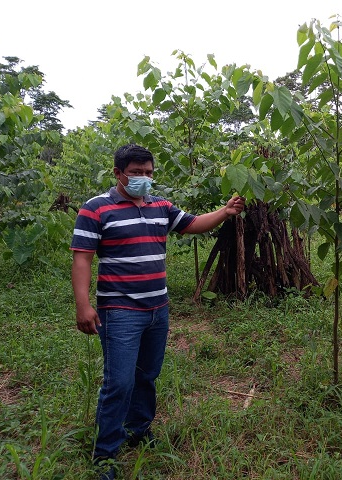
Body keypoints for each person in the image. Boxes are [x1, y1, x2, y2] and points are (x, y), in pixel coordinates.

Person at [70, 144, 245, 478]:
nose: (144, 179)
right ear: (118, 173)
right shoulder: (96, 209)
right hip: (119, 311)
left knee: (146, 376)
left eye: (149, 173)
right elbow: (82, 257)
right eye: (137, 173)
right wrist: (83, 305)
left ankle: (139, 430)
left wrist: (225, 212)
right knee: (118, 383)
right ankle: (105, 455)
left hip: (158, 309)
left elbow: (192, 224)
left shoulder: (160, 206)